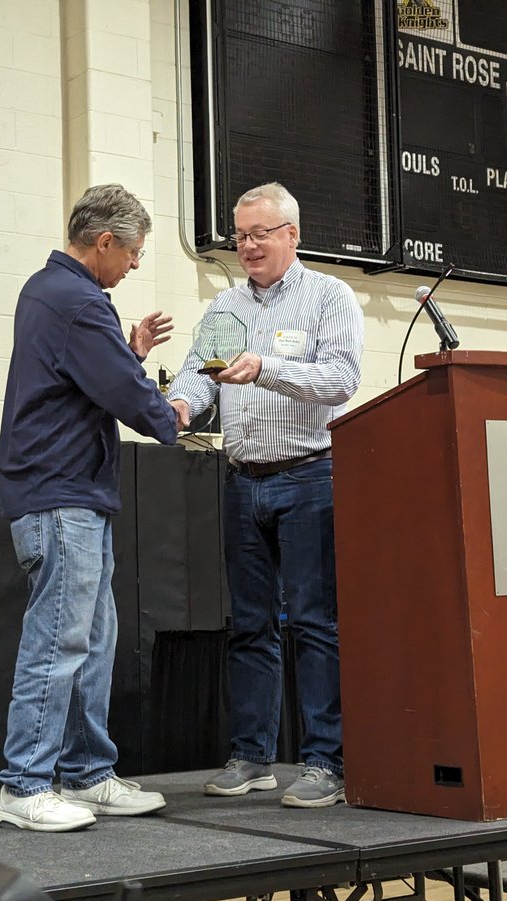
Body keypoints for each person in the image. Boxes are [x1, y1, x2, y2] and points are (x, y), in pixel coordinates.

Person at [167, 182, 363, 808]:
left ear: (291, 235)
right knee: (250, 626)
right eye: (240, 236)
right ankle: (252, 756)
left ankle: (326, 764)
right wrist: (178, 405)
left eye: (260, 234)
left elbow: (342, 380)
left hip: (310, 478)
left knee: (314, 624)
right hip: (242, 480)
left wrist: (266, 368)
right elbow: (199, 372)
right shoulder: (224, 306)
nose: (248, 246)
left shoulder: (329, 297)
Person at [0, 184, 178, 831]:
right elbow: (124, 392)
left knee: (93, 642)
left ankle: (87, 774)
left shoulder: (51, 292)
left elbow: (88, 379)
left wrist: (129, 353)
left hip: (71, 495)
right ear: (104, 242)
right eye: (132, 252)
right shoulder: (77, 301)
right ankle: (24, 786)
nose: (134, 264)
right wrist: (173, 414)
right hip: (60, 495)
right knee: (59, 644)